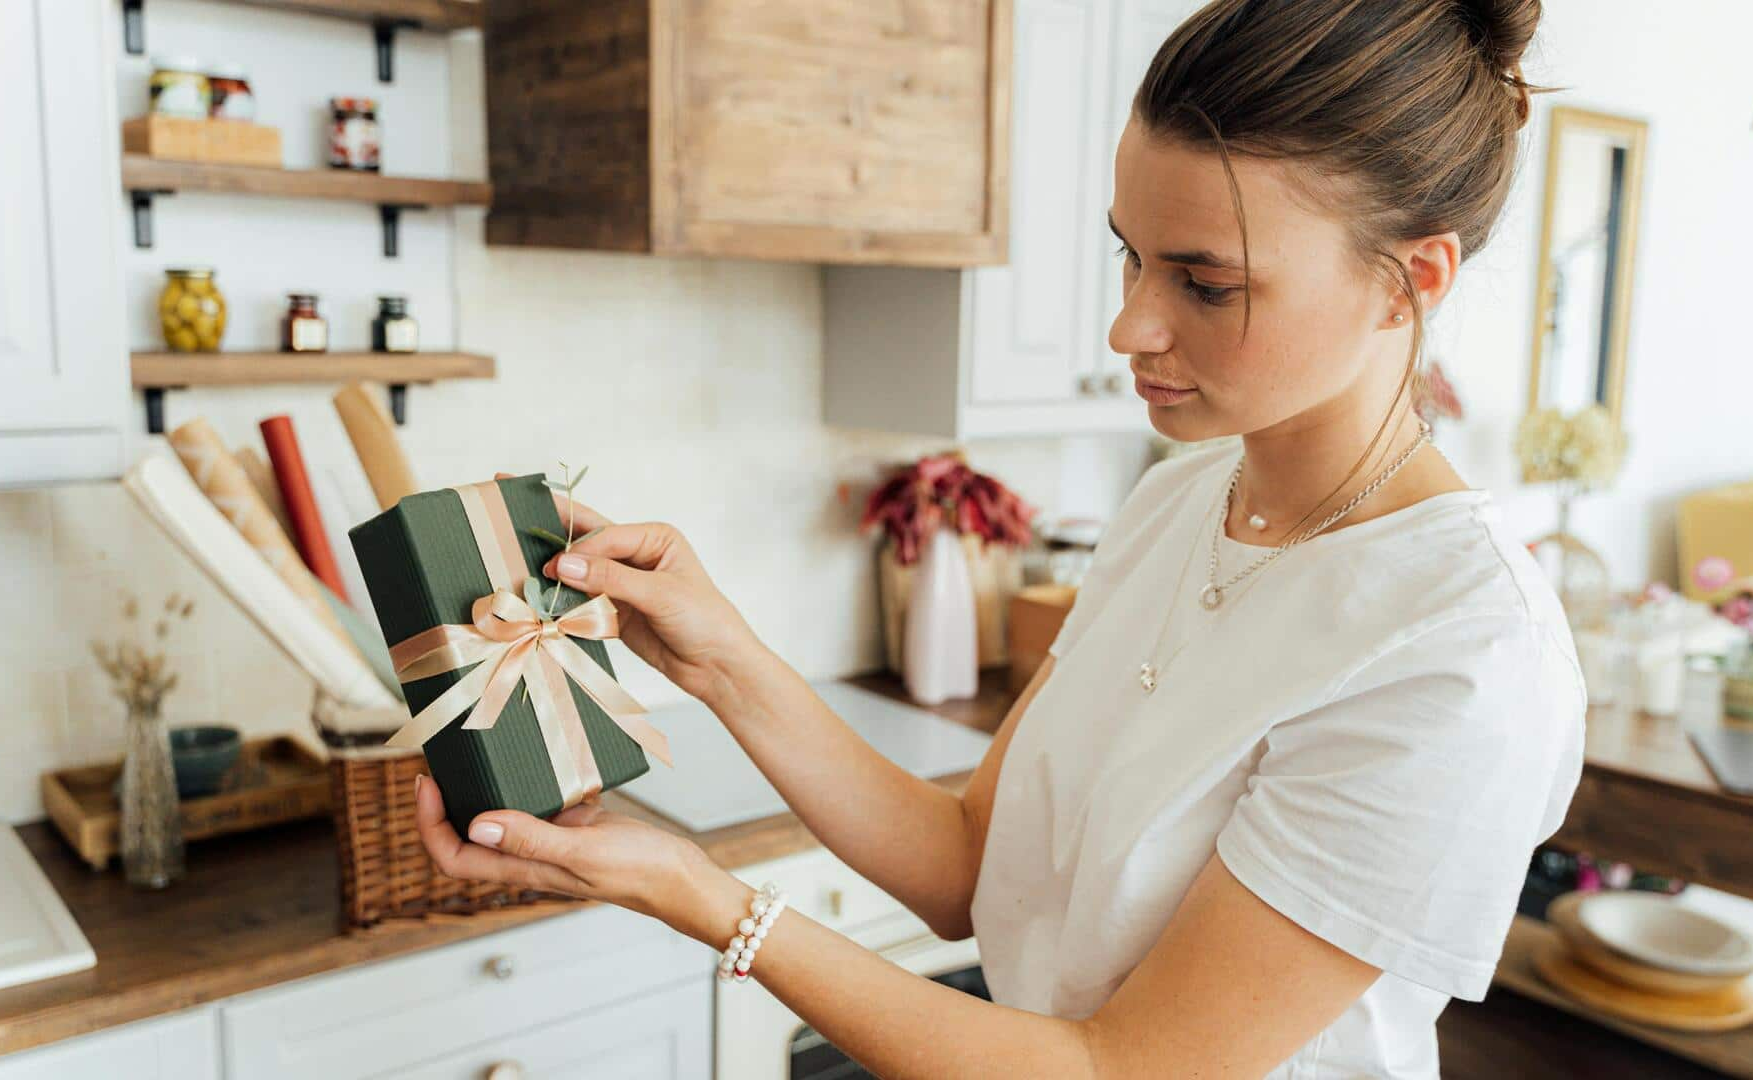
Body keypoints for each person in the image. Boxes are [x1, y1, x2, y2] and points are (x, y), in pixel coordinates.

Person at [413, 1, 1586, 1075]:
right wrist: (722, 659)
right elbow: (968, 866)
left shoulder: (1459, 653)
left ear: (1409, 281)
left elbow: (1120, 1069)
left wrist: (704, 898)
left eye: (1206, 283)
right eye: (1128, 252)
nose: (1130, 323)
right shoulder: (1181, 503)